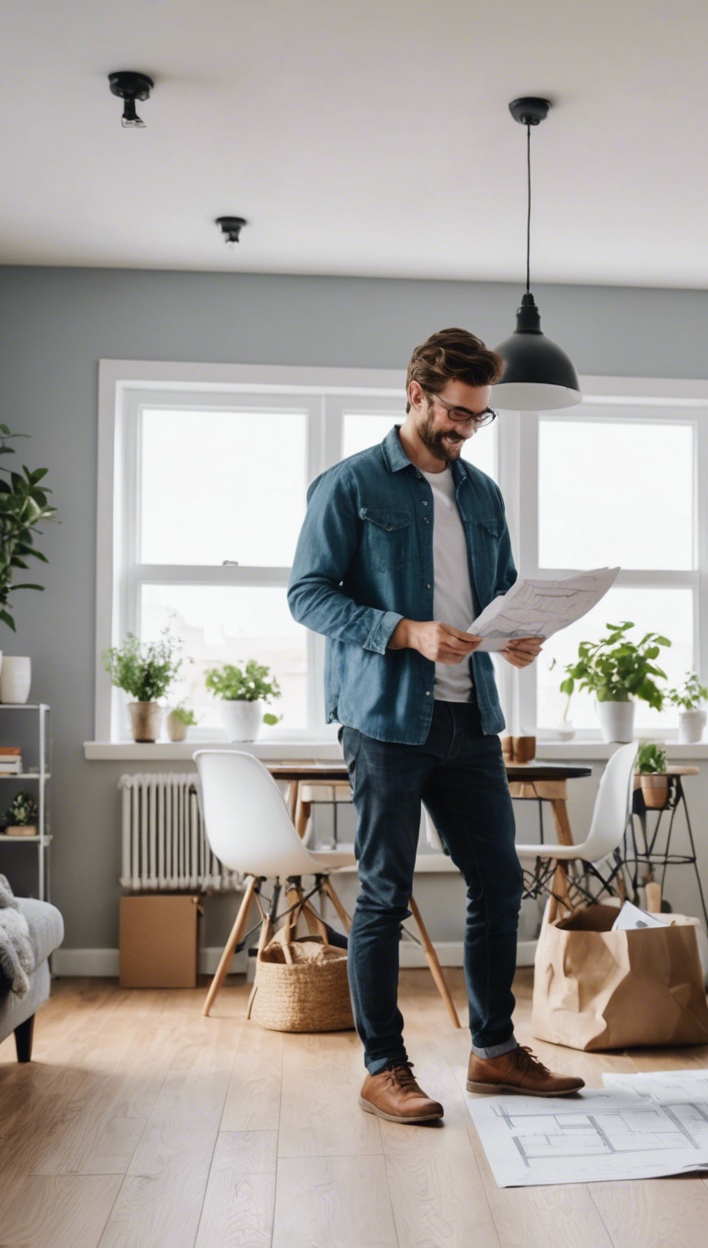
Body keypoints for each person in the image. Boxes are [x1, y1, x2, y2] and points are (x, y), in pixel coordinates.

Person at [288, 327, 583, 1124]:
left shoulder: (482, 494)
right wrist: (405, 630)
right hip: (386, 720)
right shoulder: (349, 486)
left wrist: (521, 636)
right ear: (414, 393)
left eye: (478, 418)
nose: (464, 430)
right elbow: (307, 595)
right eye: (455, 413)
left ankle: (494, 1052)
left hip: (470, 716)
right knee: (384, 894)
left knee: (496, 881)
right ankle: (384, 1067)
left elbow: (502, 592)